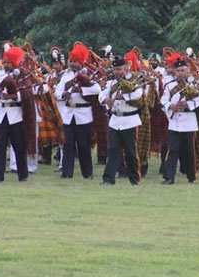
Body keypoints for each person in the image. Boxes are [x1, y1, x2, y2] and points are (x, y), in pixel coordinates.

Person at [54, 43, 101, 179]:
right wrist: (63, 95)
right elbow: (57, 92)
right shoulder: (65, 76)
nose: (73, 64)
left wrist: (82, 90)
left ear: (81, 62)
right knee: (67, 144)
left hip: (83, 114)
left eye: (75, 62)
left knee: (84, 145)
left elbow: (97, 89)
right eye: (71, 61)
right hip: (69, 114)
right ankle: (66, 173)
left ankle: (87, 173)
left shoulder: (88, 74)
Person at [160, 57, 199, 184]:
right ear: (175, 72)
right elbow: (163, 101)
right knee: (172, 150)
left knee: (189, 151)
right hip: (174, 122)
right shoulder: (169, 86)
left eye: (183, 70)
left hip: (189, 121)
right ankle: (169, 177)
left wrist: (188, 104)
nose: (180, 73)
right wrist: (170, 106)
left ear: (188, 72)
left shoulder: (193, 86)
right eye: (178, 70)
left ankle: (192, 177)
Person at [98, 56, 143, 185]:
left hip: (130, 120)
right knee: (112, 151)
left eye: (120, 69)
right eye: (115, 69)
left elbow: (138, 94)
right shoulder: (111, 83)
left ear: (126, 68)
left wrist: (123, 96)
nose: (117, 72)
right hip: (115, 120)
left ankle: (134, 179)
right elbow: (102, 94)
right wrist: (105, 100)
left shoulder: (134, 80)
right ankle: (108, 179)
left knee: (131, 152)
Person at [0, 46, 29, 182]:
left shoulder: (22, 75)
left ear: (15, 63)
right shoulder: (0, 76)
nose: (6, 65)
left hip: (16, 114)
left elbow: (26, 93)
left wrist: (12, 96)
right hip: (2, 114)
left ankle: (22, 175)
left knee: (19, 146)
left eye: (8, 62)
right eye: (4, 62)